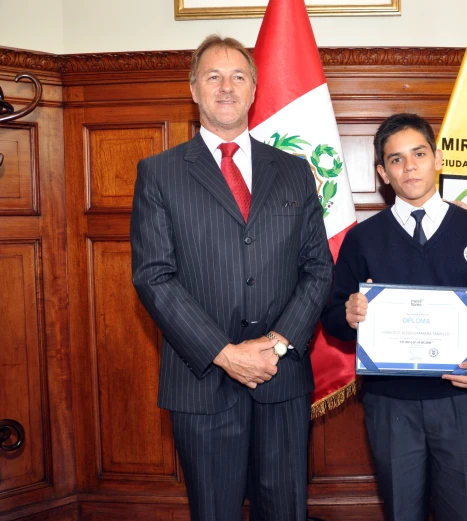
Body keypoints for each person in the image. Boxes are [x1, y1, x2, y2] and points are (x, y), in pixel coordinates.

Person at [130, 35, 332, 521]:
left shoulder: (294, 171)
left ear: (254, 88)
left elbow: (318, 267)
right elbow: (154, 276)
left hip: (281, 378)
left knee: (285, 511)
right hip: (201, 382)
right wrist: (225, 355)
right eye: (213, 76)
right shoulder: (158, 173)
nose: (226, 87)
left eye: (238, 76)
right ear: (194, 90)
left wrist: (278, 344)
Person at [321, 113, 467, 521]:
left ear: (437, 158)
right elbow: (331, 316)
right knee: (402, 511)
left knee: (462, 512)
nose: (409, 166)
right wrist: (346, 315)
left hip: (458, 398)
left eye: (418, 154)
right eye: (396, 159)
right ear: (382, 172)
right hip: (389, 405)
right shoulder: (362, 239)